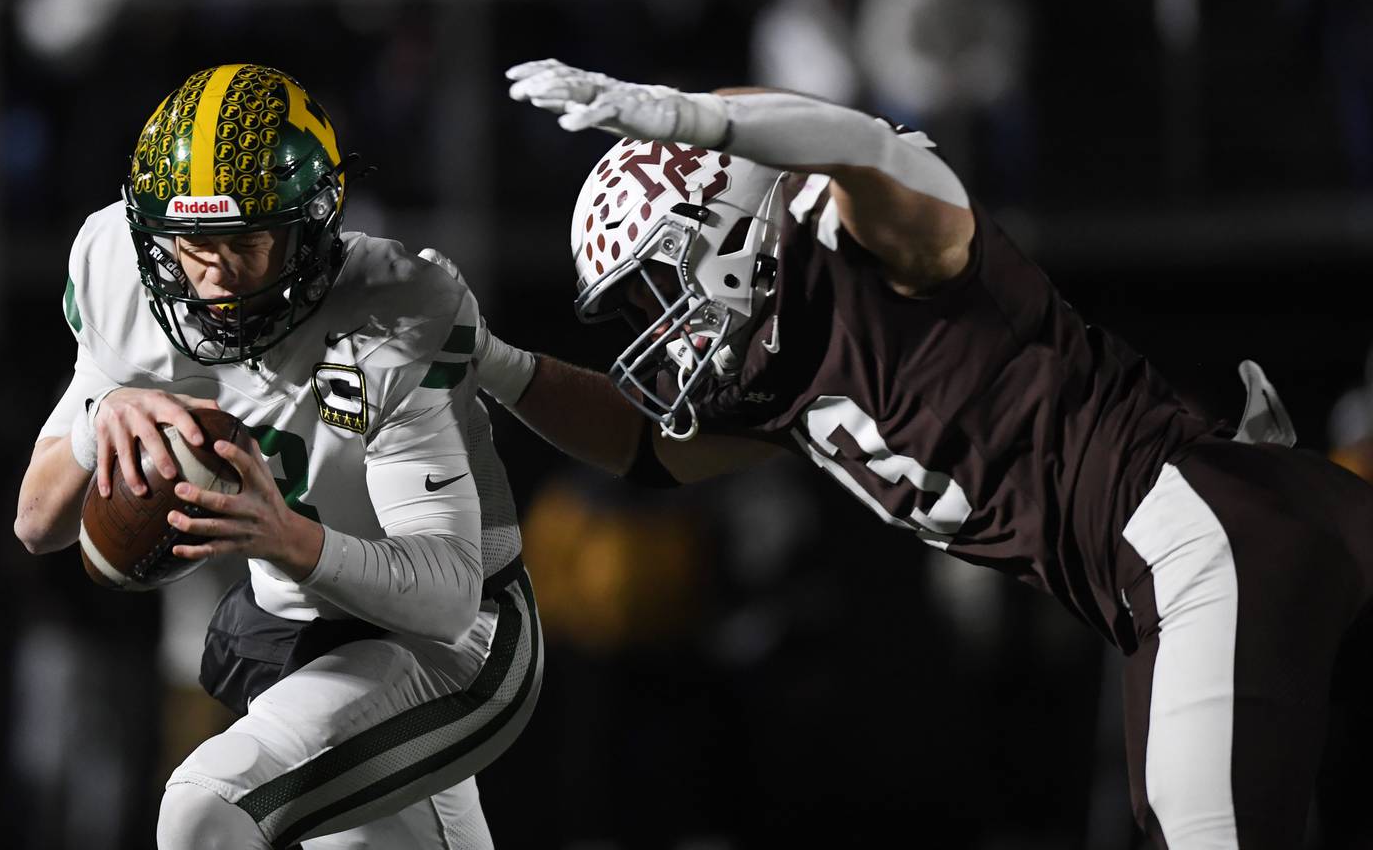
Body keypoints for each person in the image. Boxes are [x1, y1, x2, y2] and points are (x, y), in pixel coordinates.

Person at [474, 59, 1373, 848]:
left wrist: (687, 116)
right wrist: (489, 362)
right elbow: (643, 447)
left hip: (1195, 540)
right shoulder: (776, 373)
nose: (660, 329)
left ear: (721, 227)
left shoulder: (882, 243)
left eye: (654, 289)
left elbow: (857, 142)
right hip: (1223, 530)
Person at [12, 63, 541, 850]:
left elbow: (449, 596)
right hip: (300, 634)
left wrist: (285, 537)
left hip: (454, 645)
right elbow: (37, 523)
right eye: (193, 245)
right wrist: (105, 411)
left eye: (246, 242)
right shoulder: (117, 267)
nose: (214, 278)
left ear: (311, 228)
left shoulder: (396, 314)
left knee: (205, 809)